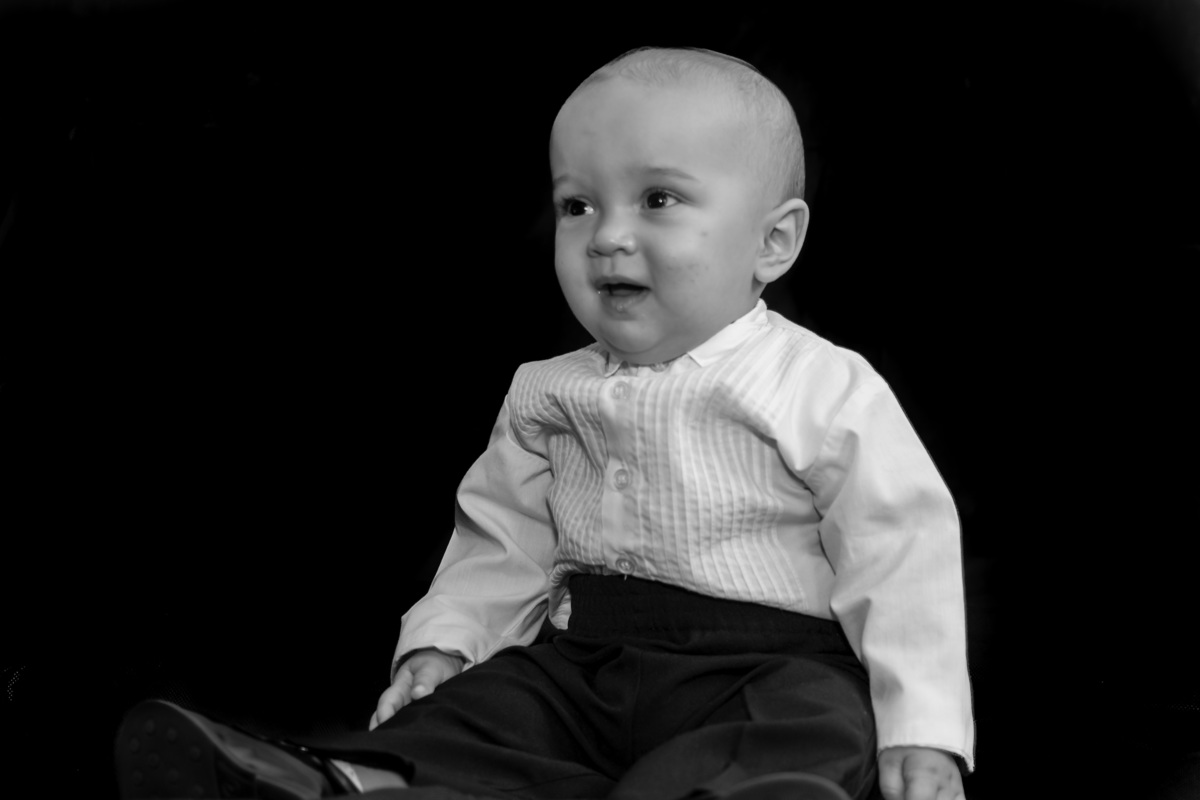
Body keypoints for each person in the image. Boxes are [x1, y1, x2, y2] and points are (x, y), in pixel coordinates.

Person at [116, 46, 974, 800]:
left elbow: (899, 547)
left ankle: (738, 791)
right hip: (582, 660)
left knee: (808, 723)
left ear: (772, 242)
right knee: (482, 712)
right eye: (578, 206)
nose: (607, 237)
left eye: (659, 199)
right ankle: (353, 782)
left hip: (762, 661)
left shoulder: (819, 384)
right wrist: (447, 646)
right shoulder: (545, 391)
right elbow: (504, 542)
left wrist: (924, 725)